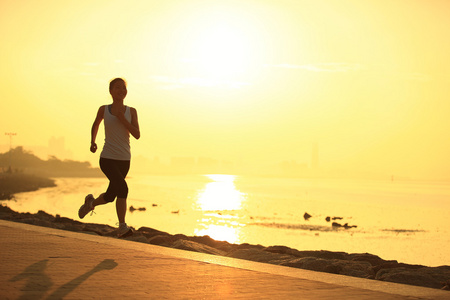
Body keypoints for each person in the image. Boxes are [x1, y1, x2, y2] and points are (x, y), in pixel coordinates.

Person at [78, 78, 140, 238]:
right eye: (117, 87)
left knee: (111, 196)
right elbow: (96, 124)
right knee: (123, 188)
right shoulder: (103, 109)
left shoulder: (131, 111)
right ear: (111, 91)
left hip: (125, 160)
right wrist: (92, 141)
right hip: (107, 158)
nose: (121, 90)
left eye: (124, 88)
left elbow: (137, 134)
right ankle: (122, 227)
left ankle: (90, 203)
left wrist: (123, 119)